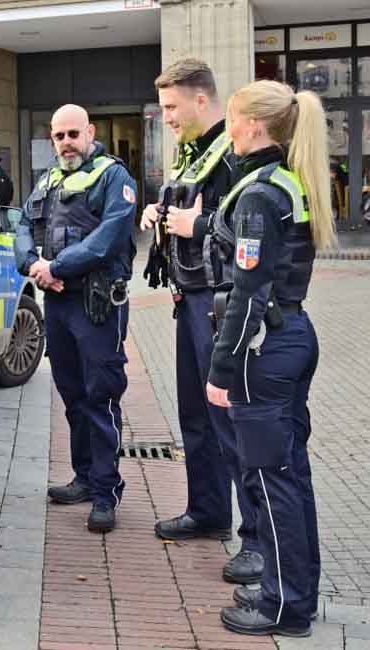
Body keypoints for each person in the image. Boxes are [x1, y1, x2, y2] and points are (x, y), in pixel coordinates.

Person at [205, 80, 334, 637]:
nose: (229, 129)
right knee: (292, 475)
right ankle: (293, 589)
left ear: (254, 125)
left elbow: (249, 292)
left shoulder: (259, 193)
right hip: (292, 336)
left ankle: (285, 606)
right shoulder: (286, 182)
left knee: (274, 478)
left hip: (266, 350)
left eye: (233, 119)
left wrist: (220, 369)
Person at [140, 58, 263, 584]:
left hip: (219, 303)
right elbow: (188, 214)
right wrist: (159, 216)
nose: (165, 116)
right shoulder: (193, 154)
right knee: (195, 415)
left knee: (231, 421)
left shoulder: (233, 156)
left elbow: (247, 228)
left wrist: (198, 222)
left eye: (171, 107)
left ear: (201, 100)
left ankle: (256, 540)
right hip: (190, 298)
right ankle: (208, 510)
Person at [15, 104, 136, 533]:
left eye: (72, 134)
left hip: (96, 304)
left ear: (90, 132)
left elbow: (109, 239)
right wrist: (31, 264)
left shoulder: (113, 176)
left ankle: (106, 493)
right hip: (59, 302)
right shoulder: (48, 180)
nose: (65, 143)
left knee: (101, 395)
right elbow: (24, 226)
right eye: (58, 136)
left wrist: (55, 267)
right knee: (72, 394)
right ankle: (83, 478)